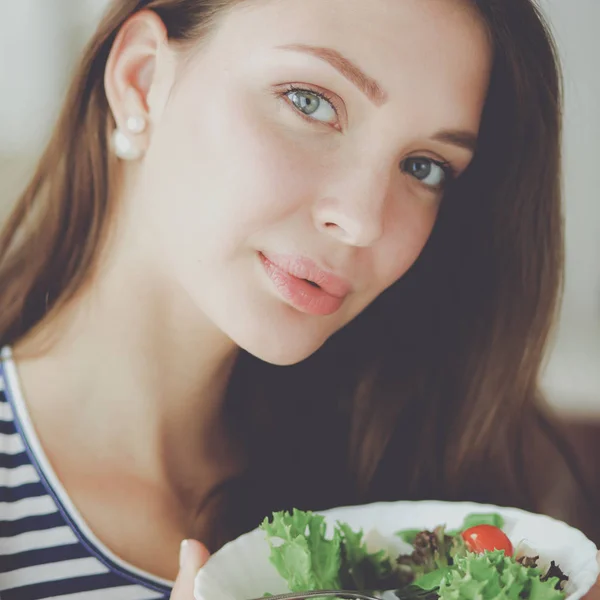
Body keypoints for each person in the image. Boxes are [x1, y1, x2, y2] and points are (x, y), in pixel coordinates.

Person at [0, 0, 598, 598]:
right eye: (310, 102)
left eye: (425, 166)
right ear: (143, 79)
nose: (364, 220)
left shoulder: (409, 485)